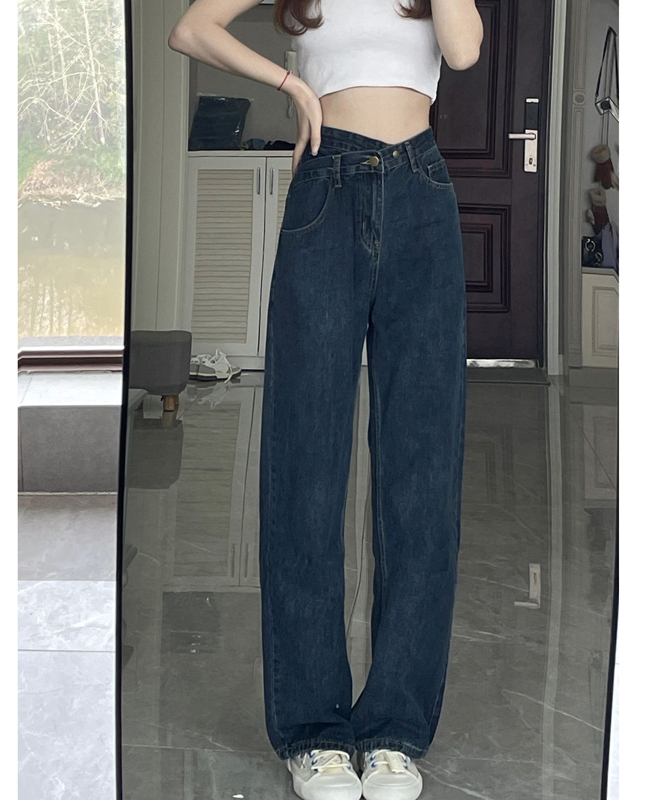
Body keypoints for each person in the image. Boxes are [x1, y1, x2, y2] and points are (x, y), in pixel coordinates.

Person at [168, 2, 483, 798]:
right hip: (326, 186)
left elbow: (463, 50)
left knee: (422, 474)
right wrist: (290, 86)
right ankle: (313, 734)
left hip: (421, 188)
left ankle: (394, 732)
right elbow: (192, 28)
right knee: (304, 464)